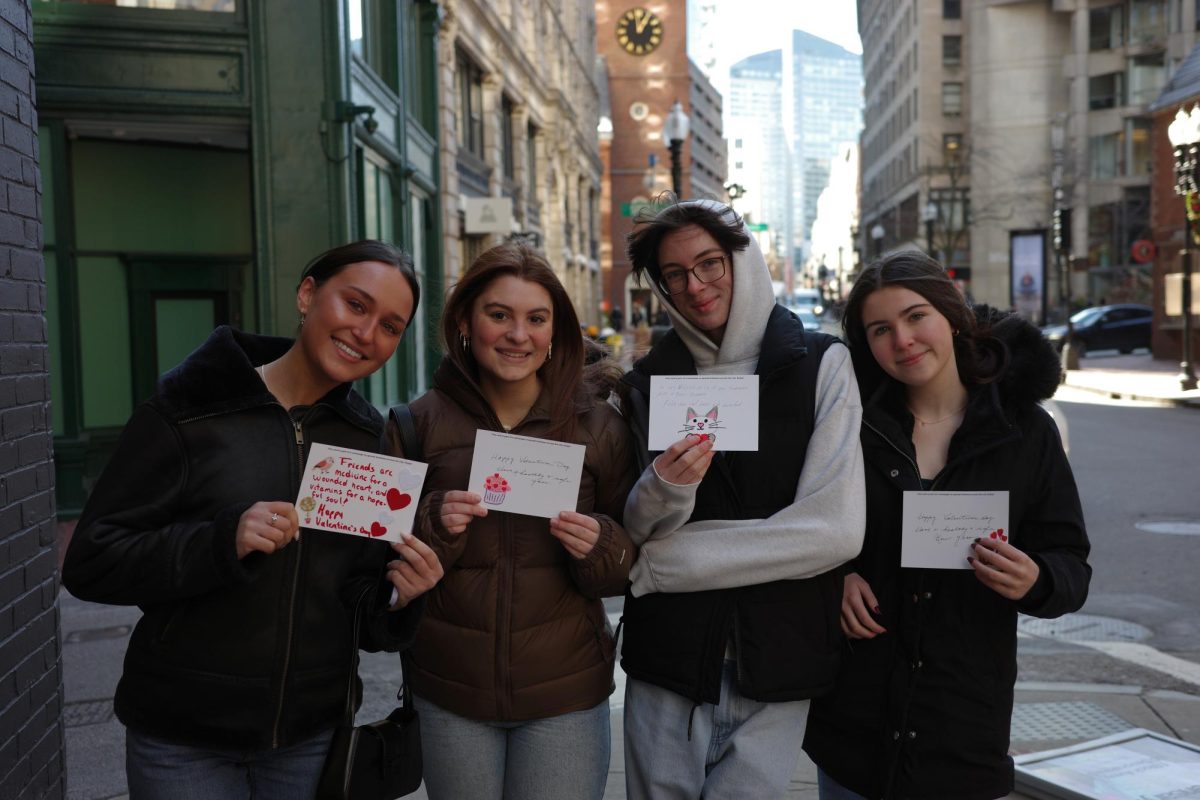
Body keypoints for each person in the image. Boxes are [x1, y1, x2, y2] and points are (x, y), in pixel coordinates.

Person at [61, 240, 444, 800]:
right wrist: (222, 541)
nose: (366, 334)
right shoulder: (188, 409)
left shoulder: (369, 443)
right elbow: (93, 559)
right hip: (183, 739)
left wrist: (399, 598)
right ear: (308, 294)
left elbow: (358, 602)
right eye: (355, 305)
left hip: (310, 739)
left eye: (390, 326)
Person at [802, 250, 1092, 800]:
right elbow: (800, 531)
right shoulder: (848, 428)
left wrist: (1037, 580)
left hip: (963, 723)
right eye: (880, 329)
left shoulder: (1024, 432)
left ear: (952, 315)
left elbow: (1071, 565)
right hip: (855, 724)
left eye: (916, 317)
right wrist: (832, 577)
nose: (903, 340)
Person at [618, 199, 866, 798]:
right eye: (674, 275)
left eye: (710, 264)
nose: (695, 286)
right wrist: (664, 489)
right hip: (668, 663)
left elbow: (834, 530)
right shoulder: (645, 384)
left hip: (779, 661)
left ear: (742, 258)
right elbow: (631, 531)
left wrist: (671, 565)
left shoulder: (822, 365)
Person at [388, 242, 636, 800]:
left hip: (566, 696)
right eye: (498, 315)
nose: (517, 335)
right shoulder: (417, 423)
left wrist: (600, 544)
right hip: (451, 692)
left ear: (556, 332)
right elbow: (386, 560)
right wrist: (434, 522)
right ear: (465, 323)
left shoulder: (598, 426)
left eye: (536, 319)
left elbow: (629, 565)